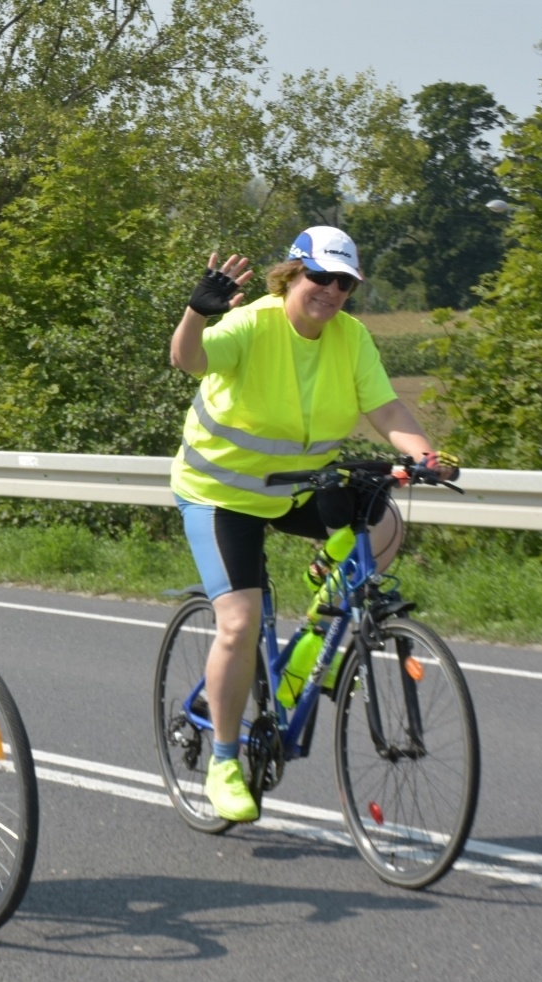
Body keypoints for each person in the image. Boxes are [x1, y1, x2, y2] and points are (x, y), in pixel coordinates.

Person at [169, 225, 453, 823]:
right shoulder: (253, 324)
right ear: (292, 273)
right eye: (320, 277)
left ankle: (307, 650)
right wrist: (198, 314)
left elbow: (387, 408)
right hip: (223, 494)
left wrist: (422, 453)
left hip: (299, 486)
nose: (331, 291)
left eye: (344, 283)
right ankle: (223, 760)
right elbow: (187, 359)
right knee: (240, 622)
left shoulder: (350, 339)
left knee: (387, 526)